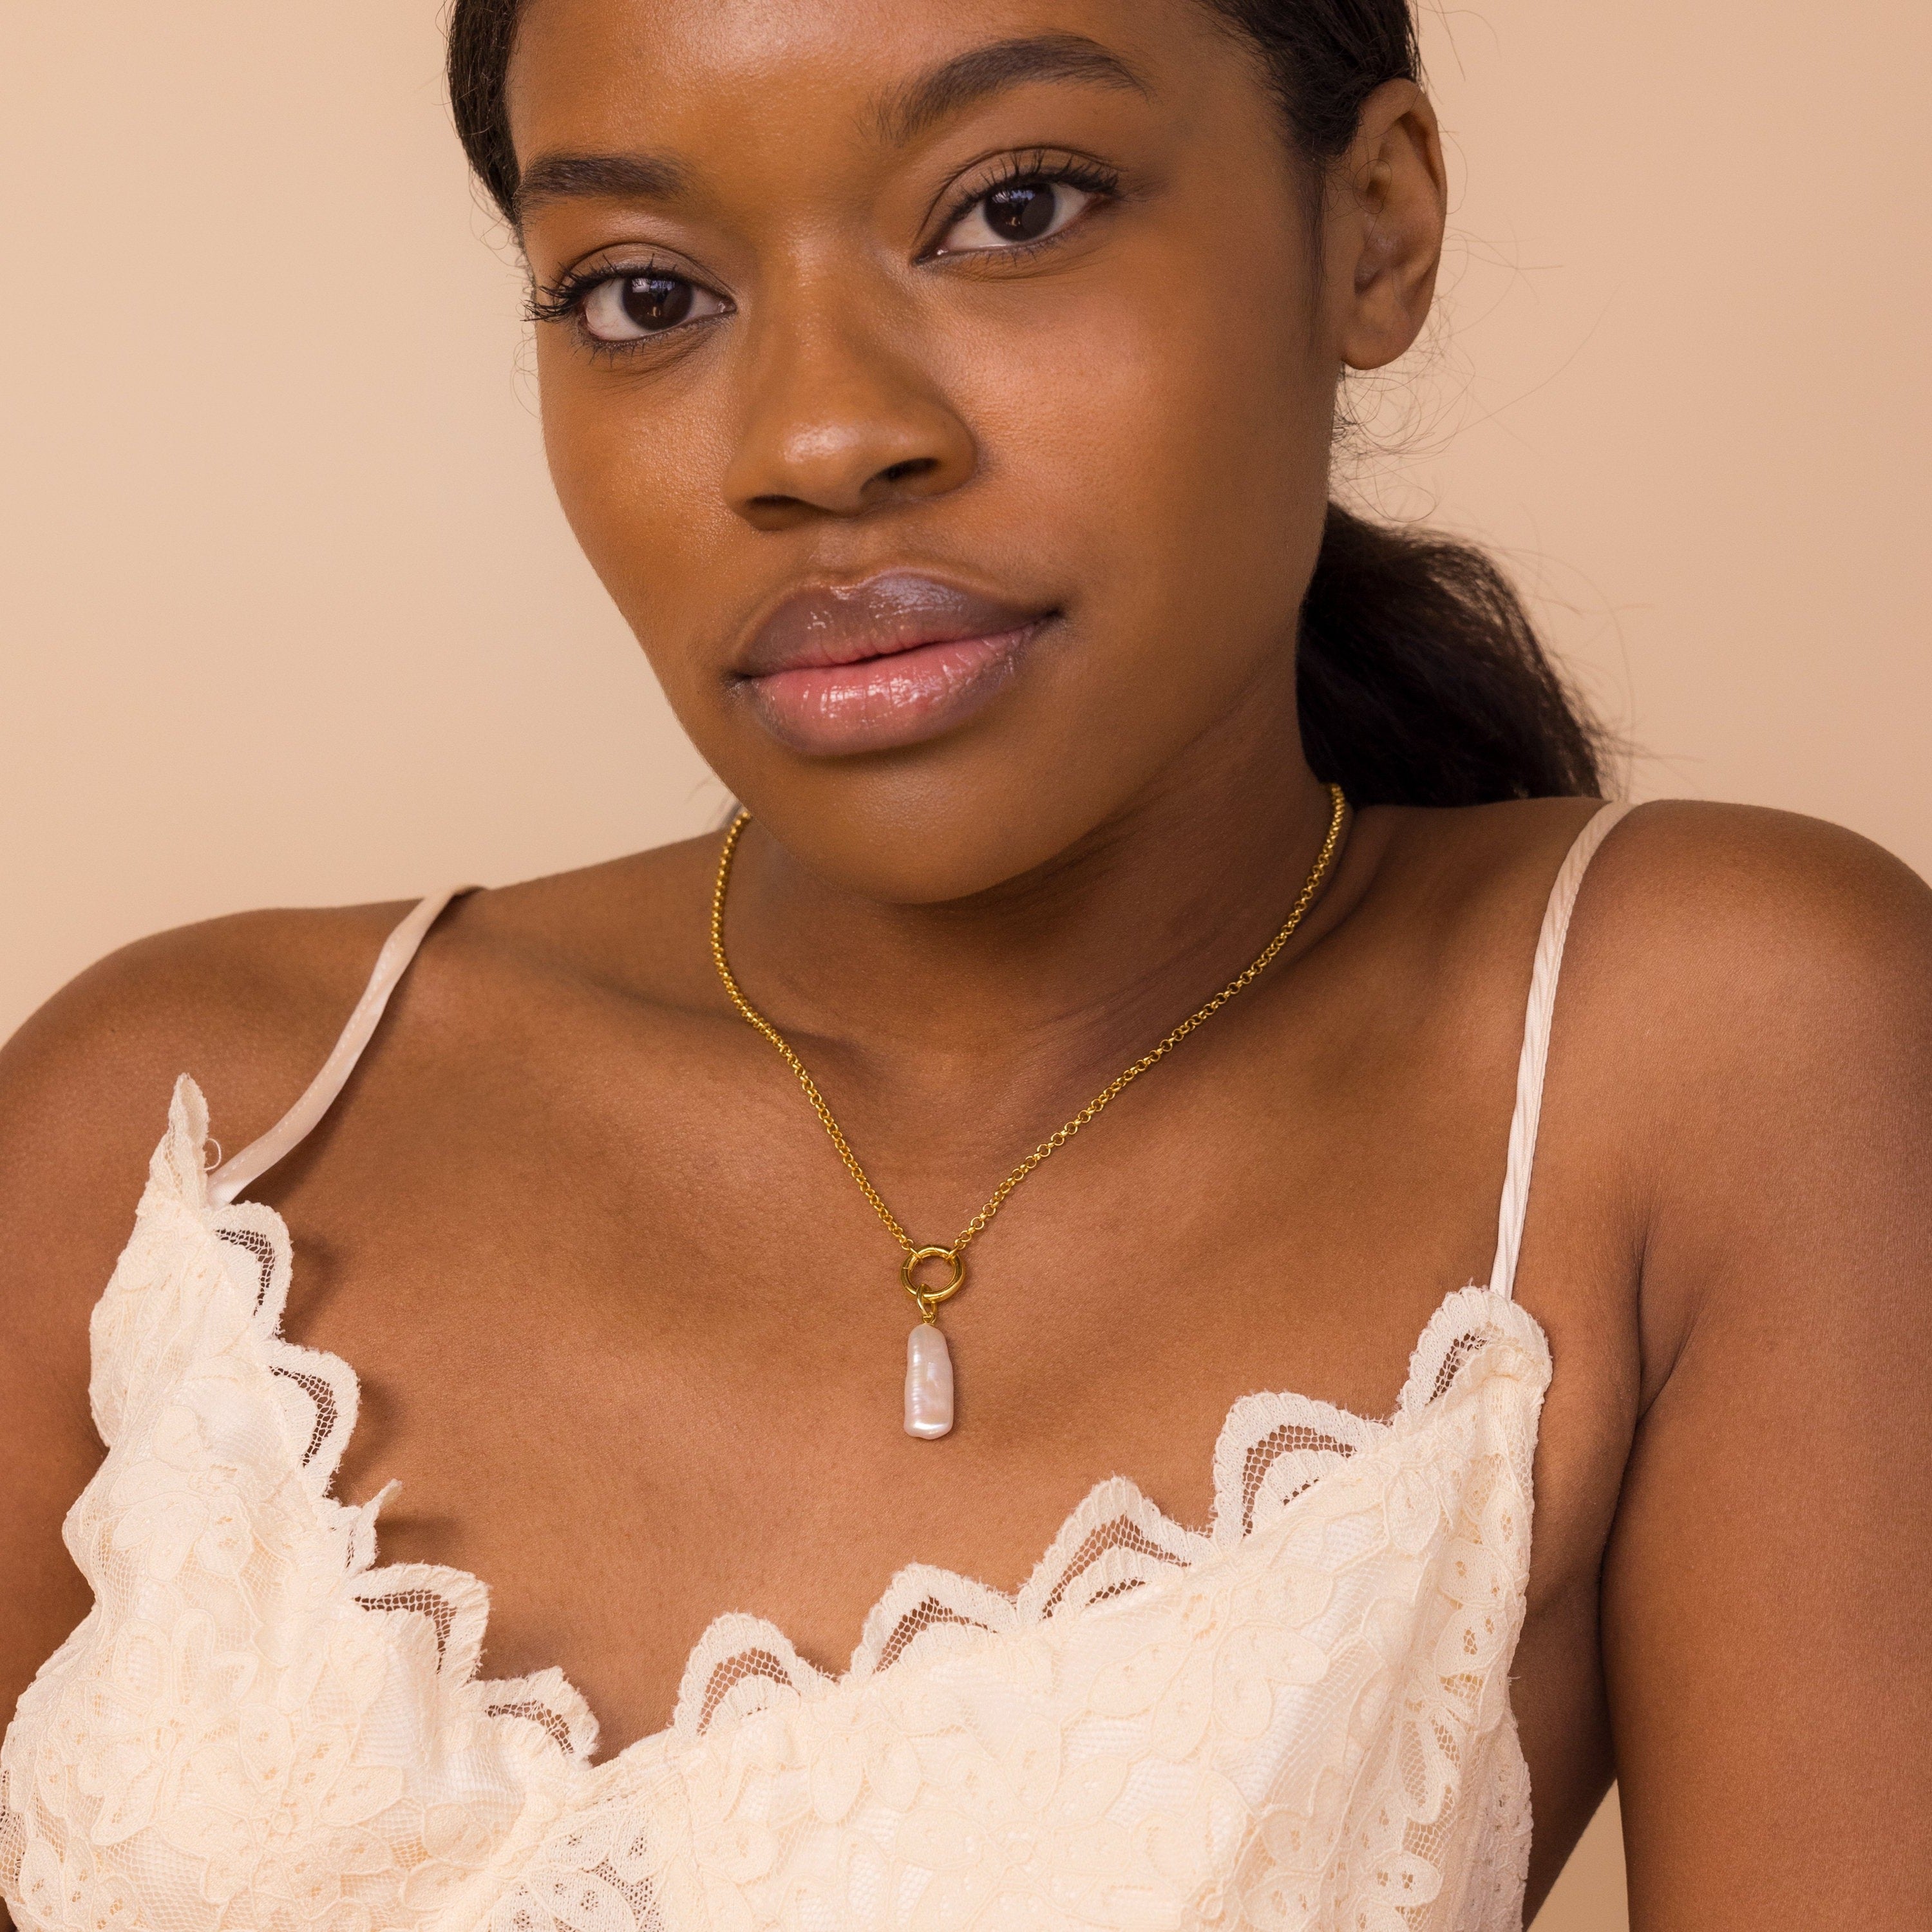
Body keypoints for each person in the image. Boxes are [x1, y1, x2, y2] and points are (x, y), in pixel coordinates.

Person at [1, 1, 1926, 1927]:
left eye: (1014, 207)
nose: (824, 440)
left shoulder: (1708, 1047)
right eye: (642, 294)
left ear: (1379, 224)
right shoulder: (192, 1133)